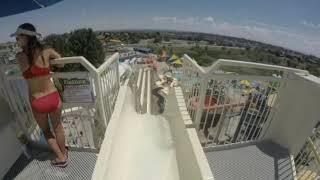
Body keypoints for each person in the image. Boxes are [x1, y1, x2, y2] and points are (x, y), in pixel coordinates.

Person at [11, 23, 68, 168]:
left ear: (26, 37)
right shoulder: (46, 51)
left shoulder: (19, 56)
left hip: (37, 100)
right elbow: (61, 63)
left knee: (46, 131)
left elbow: (27, 67)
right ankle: (64, 153)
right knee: (58, 126)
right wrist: (50, 63)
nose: (16, 39)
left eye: (18, 37)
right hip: (53, 96)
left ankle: (61, 158)